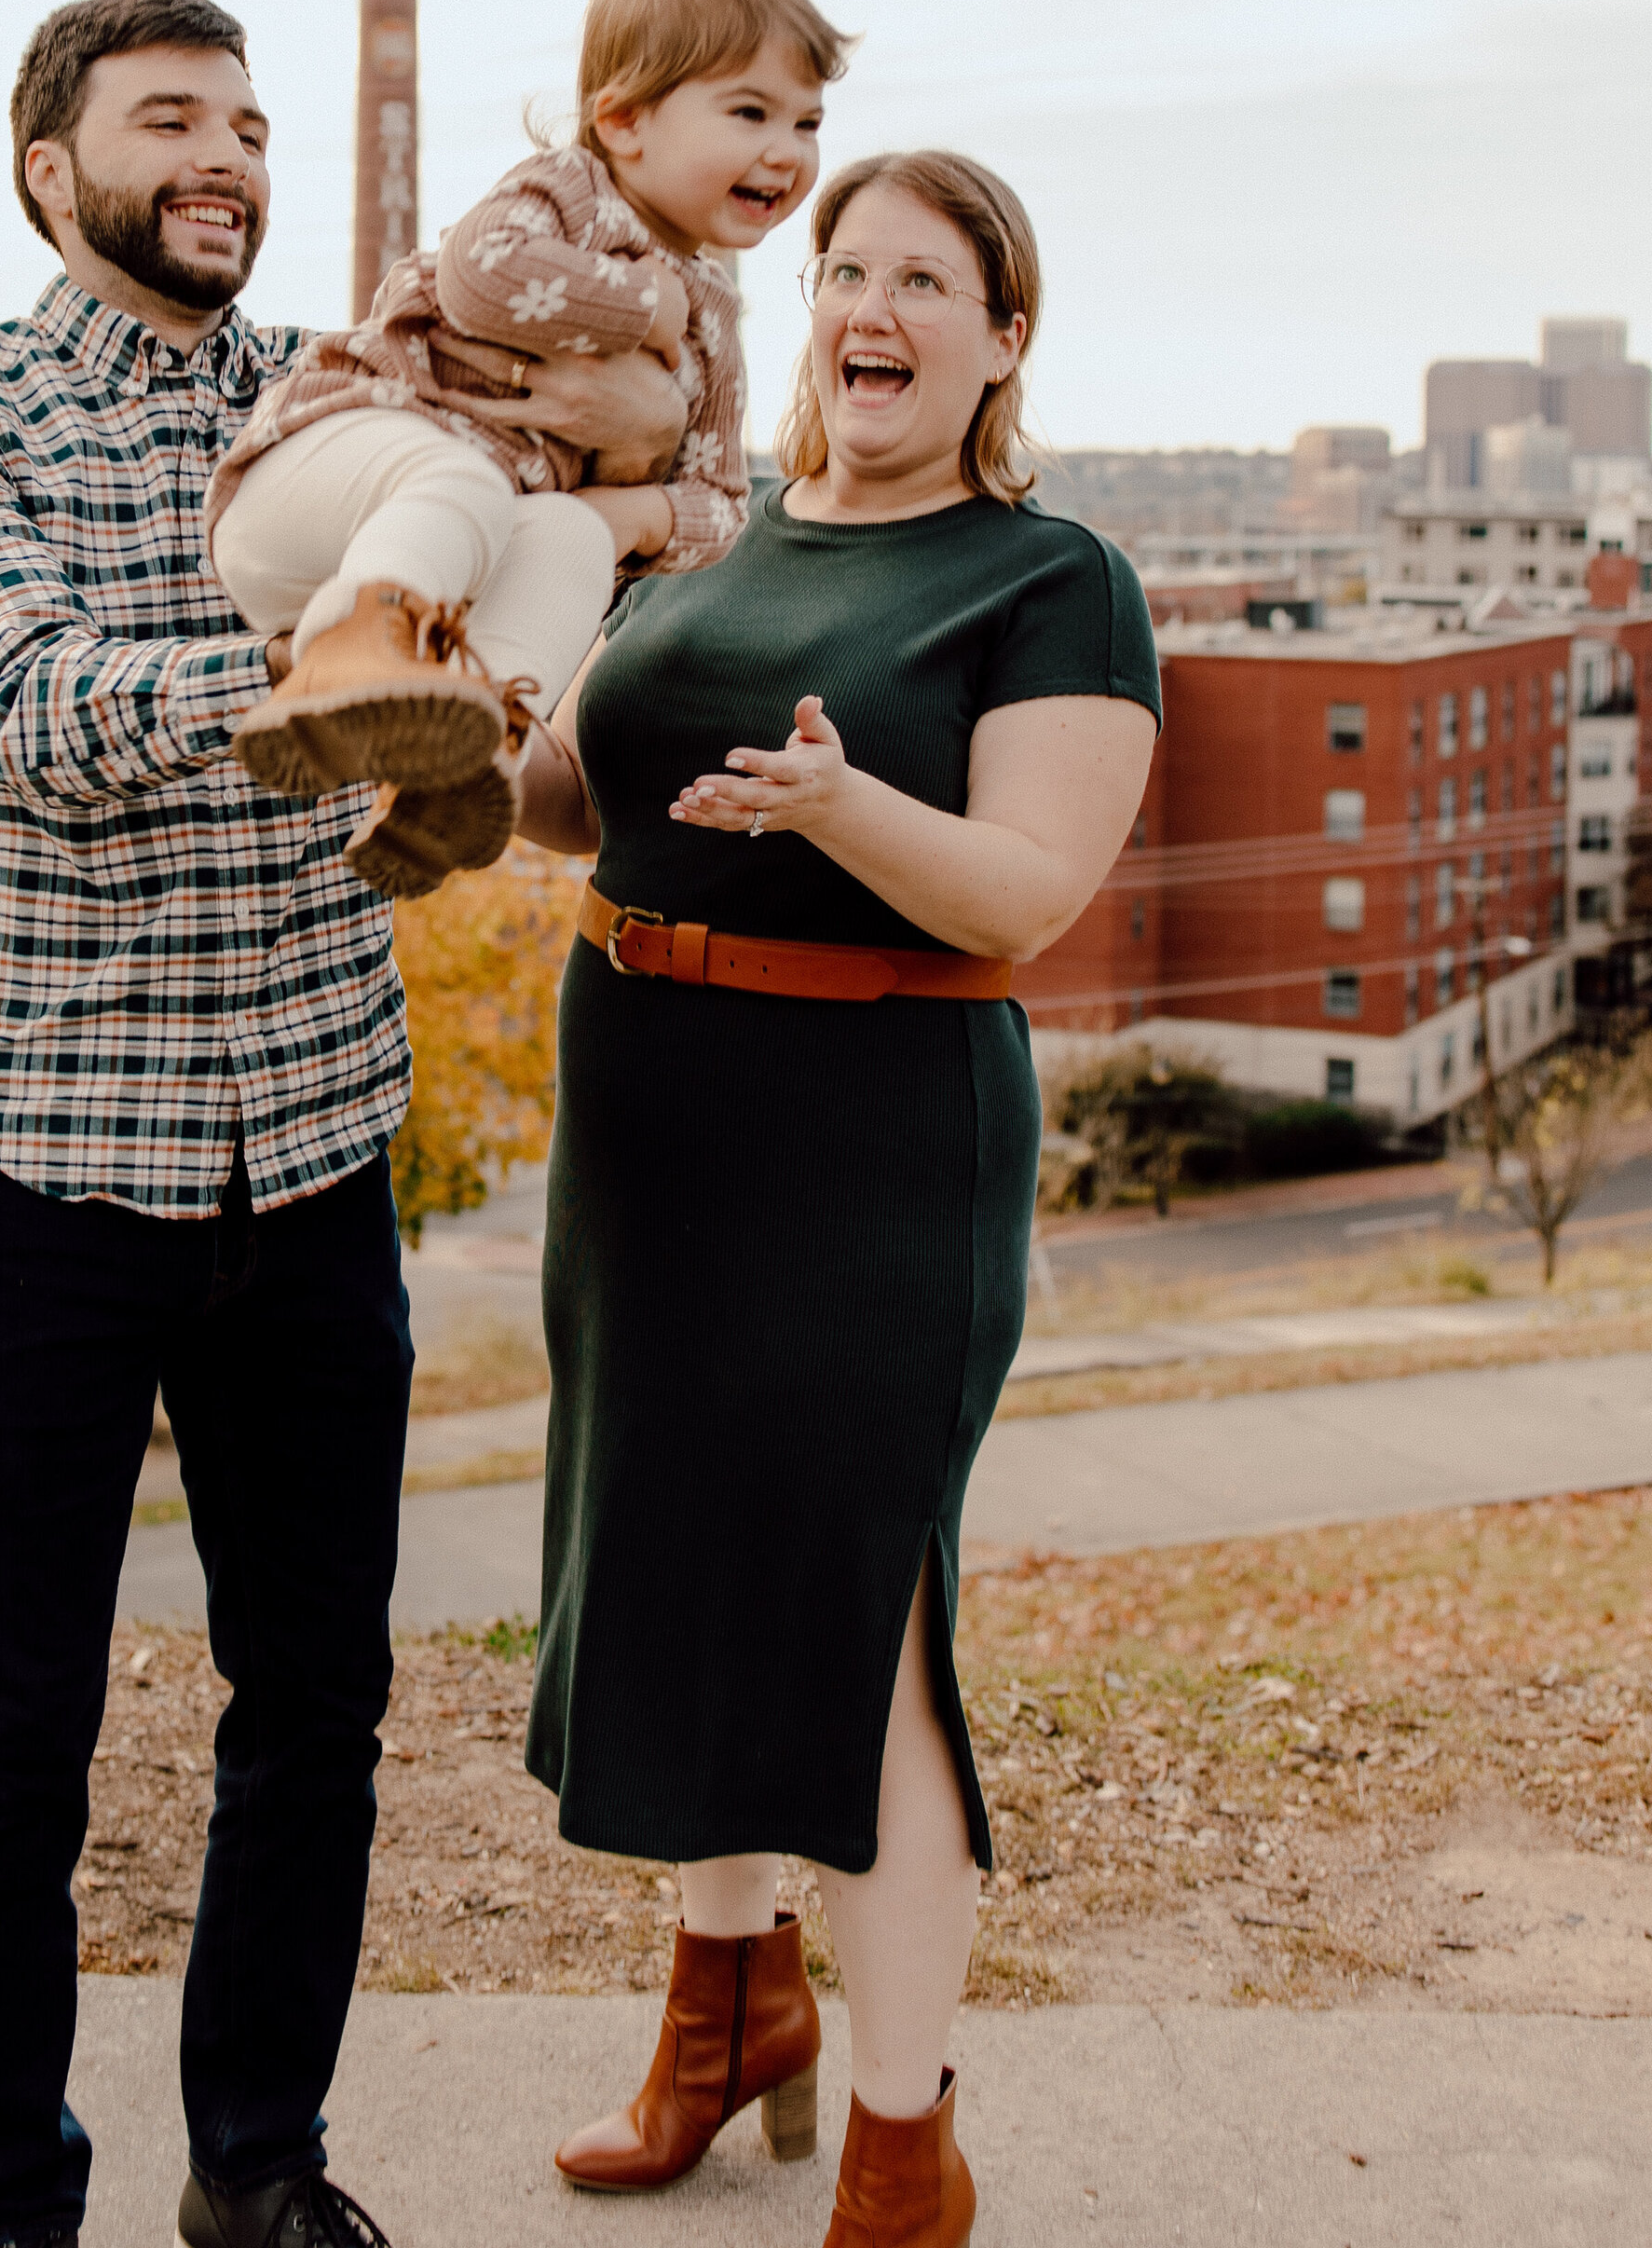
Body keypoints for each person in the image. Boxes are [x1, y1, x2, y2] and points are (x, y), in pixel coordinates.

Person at [0, 0, 689, 2248]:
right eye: (167, 120)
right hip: (38, 1176)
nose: (223, 154)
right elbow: (17, 706)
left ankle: (256, 2170)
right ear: (52, 166)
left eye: (245, 120)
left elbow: (586, 506)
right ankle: (11, 2211)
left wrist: (566, 591)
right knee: (7, 1745)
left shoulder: (349, 405)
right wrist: (352, 660)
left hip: (315, 1159)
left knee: (312, 1706)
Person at [512, 148, 1161, 2248]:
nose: (868, 307)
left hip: (875, 1143)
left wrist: (841, 798)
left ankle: (904, 2146)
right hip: (647, 1125)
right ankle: (722, 2030)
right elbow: (576, 798)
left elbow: (1031, 900)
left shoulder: (1049, 578)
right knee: (680, 1578)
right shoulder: (717, 537)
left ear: (1000, 338)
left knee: (862, 1627)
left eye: (924, 280)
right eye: (841, 270)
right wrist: (443, 735)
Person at [207, 0, 848, 898]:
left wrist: (626, 517)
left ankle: (474, 757)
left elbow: (717, 501)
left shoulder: (715, 312)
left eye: (807, 122)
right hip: (313, 494)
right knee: (463, 474)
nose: (786, 150)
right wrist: (644, 309)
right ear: (623, 120)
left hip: (446, 569)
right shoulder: (568, 193)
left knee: (570, 539)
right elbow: (481, 272)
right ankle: (354, 649)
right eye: (750, 112)